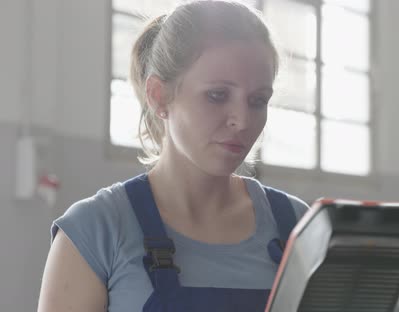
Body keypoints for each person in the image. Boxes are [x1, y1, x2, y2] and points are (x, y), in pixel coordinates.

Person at [37, 1, 309, 311]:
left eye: (258, 100)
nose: (242, 120)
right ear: (160, 96)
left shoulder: (297, 227)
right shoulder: (95, 232)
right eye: (217, 95)